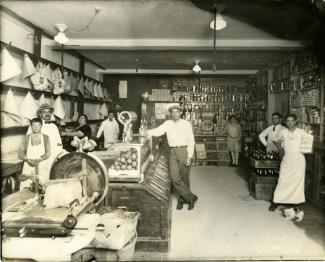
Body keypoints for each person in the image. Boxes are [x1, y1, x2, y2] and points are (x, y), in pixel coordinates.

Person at [147, 105, 198, 211]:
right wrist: (146, 132)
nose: (175, 114)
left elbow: (191, 141)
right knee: (175, 178)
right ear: (170, 113)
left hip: (184, 151)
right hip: (172, 152)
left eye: (177, 112)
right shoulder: (167, 123)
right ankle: (191, 198)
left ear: (180, 113)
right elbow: (158, 131)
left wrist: (189, 156)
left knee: (184, 177)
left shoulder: (186, 124)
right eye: (173, 112)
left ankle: (182, 199)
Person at [270, 114, 307, 222]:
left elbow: (308, 143)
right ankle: (276, 201)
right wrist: (280, 151)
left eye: (292, 121)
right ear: (285, 122)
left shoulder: (301, 132)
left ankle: (297, 208)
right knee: (282, 181)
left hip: (298, 161)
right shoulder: (283, 132)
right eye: (288, 121)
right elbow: (275, 140)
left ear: (296, 121)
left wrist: (306, 150)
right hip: (287, 160)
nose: (290, 123)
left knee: (297, 184)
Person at [26, 103, 64, 183]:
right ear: (40, 114)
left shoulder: (53, 126)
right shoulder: (34, 125)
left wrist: (58, 153)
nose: (47, 114)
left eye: (49, 112)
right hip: (39, 157)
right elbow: (29, 143)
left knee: (49, 180)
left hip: (53, 157)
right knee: (36, 181)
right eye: (44, 112)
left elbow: (59, 142)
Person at [19, 118, 51, 189]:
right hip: (28, 165)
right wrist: (27, 159)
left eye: (38, 125)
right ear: (31, 126)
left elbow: (48, 152)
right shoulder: (26, 138)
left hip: (41, 164)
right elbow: (20, 152)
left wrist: (40, 159)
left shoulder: (46, 137)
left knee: (42, 187)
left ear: (41, 126)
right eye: (34, 125)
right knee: (27, 186)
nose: (36, 127)